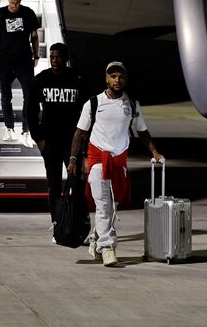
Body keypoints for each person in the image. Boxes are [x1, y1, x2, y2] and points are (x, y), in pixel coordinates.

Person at [67, 61, 162, 267]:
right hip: (97, 161)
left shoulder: (132, 105)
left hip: (119, 162)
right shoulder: (93, 103)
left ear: (125, 80)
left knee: (111, 206)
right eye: (113, 76)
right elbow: (79, 134)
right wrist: (73, 159)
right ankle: (108, 247)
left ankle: (95, 238)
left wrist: (154, 152)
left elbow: (142, 132)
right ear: (106, 79)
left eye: (121, 76)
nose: (117, 80)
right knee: (103, 205)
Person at [28, 42, 86, 230]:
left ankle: (74, 223)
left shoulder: (77, 79)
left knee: (75, 185)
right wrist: (39, 139)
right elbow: (30, 110)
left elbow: (88, 111)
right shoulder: (41, 80)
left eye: (58, 57)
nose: (55, 60)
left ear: (66, 59)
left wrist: (84, 139)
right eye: (52, 56)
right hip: (50, 143)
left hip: (72, 143)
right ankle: (56, 224)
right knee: (53, 185)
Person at [0, 0, 40, 146]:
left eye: (16, 3)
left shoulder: (28, 13)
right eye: (11, 3)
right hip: (6, 61)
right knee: (5, 96)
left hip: (24, 60)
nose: (14, 6)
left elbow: (35, 36)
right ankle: (9, 128)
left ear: (20, 0)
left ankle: (26, 131)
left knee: (29, 96)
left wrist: (36, 54)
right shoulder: (0, 13)